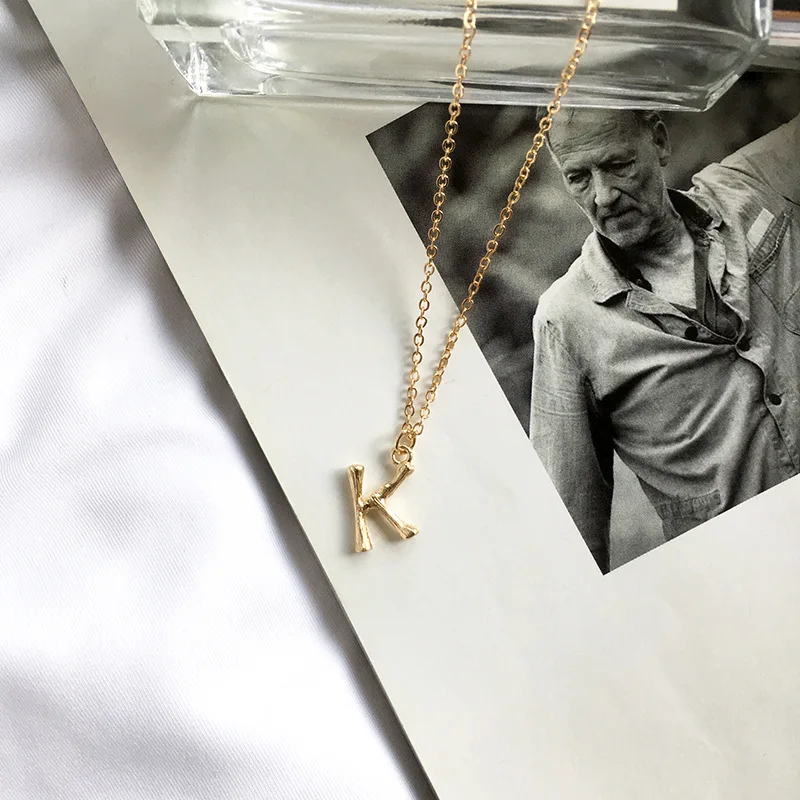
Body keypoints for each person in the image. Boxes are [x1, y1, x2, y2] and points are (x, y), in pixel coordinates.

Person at [530, 107, 800, 573]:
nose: (603, 196)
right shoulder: (566, 322)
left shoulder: (751, 187)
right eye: (578, 177)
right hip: (745, 574)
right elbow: (568, 544)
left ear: (658, 141)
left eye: (618, 165)